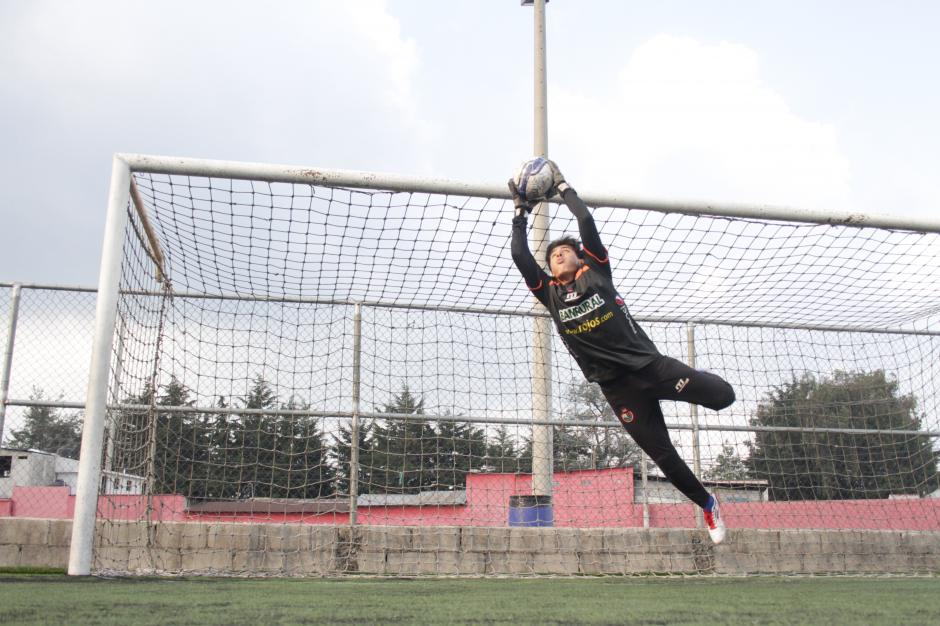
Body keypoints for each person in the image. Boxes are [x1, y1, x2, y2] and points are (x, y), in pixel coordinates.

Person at [508, 159, 735, 544]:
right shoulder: (549, 294)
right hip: (619, 390)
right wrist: (520, 211)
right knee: (662, 455)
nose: (558, 256)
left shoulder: (597, 271)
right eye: (552, 256)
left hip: (652, 368)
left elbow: (585, 224)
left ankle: (706, 397)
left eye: (564, 252)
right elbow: (519, 256)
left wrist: (563, 188)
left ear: (580, 257)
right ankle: (707, 505)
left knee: (723, 397)